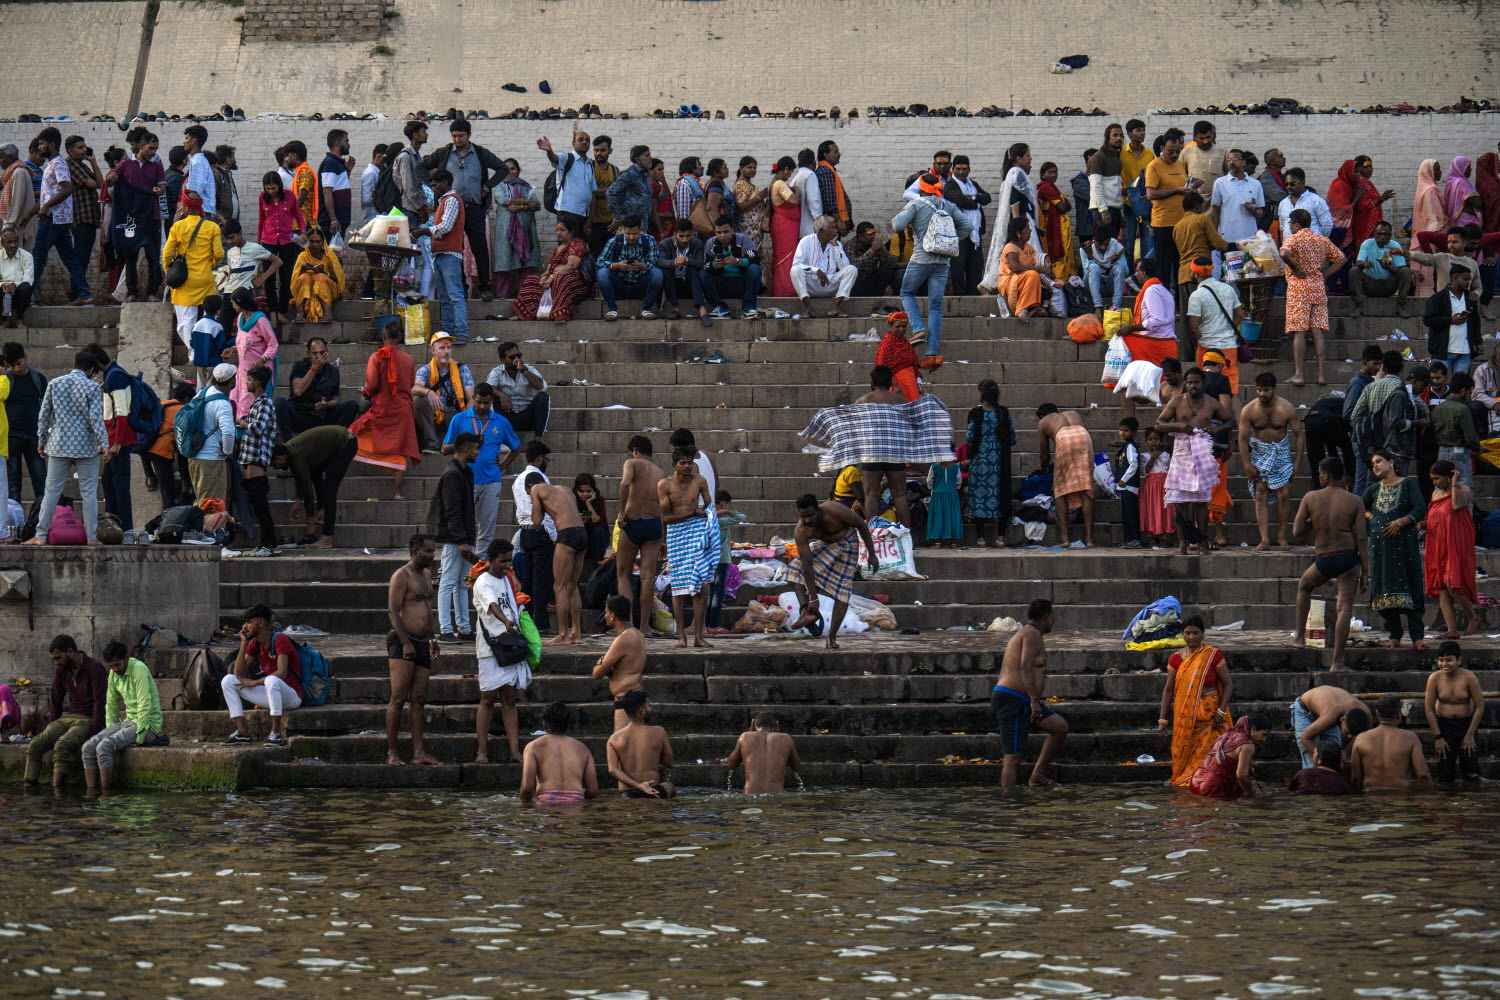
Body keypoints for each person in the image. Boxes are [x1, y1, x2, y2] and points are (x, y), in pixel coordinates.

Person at [1285, 457, 1368, 671]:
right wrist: (1366, 570)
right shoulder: (1354, 500)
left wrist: (1314, 520)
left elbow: (1297, 531)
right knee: (1345, 606)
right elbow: (1361, 538)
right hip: (1349, 557)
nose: (1319, 477)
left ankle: (1299, 637)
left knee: (1304, 587)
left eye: (1321, 474)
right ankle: (1337, 662)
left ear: (1327, 475)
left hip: (1325, 557)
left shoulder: (1311, 497)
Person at [23, 349, 106, 546]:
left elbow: (44, 414)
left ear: (75, 364)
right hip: (85, 447)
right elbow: (96, 418)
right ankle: (91, 537)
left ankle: (40, 535)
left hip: (58, 445)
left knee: (51, 491)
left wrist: (42, 439)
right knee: (89, 493)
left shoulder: (55, 383)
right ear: (91, 370)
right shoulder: (92, 387)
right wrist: (104, 443)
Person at [891, 173, 971, 367]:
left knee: (906, 292)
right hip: (943, 261)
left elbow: (897, 224)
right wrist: (950, 240)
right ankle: (932, 353)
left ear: (921, 188)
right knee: (935, 306)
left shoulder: (916, 204)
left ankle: (918, 328)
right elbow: (968, 226)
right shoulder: (948, 205)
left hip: (921, 258)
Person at [422, 118, 505, 294]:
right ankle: (461, 287)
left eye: (461, 136)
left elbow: (502, 168)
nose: (457, 139)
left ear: (469, 135)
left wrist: (487, 187)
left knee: (479, 248)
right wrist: (433, 183)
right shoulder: (444, 153)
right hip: (452, 208)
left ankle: (484, 287)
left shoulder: (480, 153)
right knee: (455, 248)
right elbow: (421, 167)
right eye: (454, 136)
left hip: (474, 207)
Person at [992, 599, 1069, 787]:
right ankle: (1009, 800)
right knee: (1012, 758)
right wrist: (1035, 701)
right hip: (1013, 699)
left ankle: (1037, 776)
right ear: (1046, 616)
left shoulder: (1031, 634)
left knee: (1059, 727)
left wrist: (1032, 700)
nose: (1053, 620)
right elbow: (1025, 667)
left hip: (1022, 699)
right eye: (1052, 616)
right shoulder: (1031, 633)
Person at [786, 494, 879, 649]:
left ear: (818, 510)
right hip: (826, 545)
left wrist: (872, 554)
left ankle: (832, 637)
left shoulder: (835, 510)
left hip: (848, 542)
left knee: (842, 591)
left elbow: (861, 526)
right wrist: (813, 598)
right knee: (795, 568)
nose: (807, 520)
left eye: (810, 515)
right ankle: (807, 612)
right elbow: (807, 564)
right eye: (803, 517)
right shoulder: (801, 530)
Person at [1157, 368, 1232, 553]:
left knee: (1201, 501)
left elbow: (1231, 421)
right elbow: (1159, 423)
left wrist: (1217, 429)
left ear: (1203, 383)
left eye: (1196, 382)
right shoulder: (1177, 401)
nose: (1192, 386)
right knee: (1180, 501)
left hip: (1202, 452)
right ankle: (1182, 543)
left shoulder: (1212, 403)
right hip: (1181, 453)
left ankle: (1202, 543)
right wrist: (1178, 425)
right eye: (1189, 382)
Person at [473, 538, 532, 764]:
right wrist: (506, 621)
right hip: (491, 647)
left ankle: (515, 751)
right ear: (490, 560)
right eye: (503, 561)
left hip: (512, 643)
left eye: (509, 560)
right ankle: (482, 751)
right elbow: (492, 605)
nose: (507, 565)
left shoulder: (506, 578)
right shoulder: (483, 582)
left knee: (510, 698)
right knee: (488, 698)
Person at [385, 534, 441, 765]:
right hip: (403, 640)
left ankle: (418, 753)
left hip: (423, 641)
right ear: (415, 551)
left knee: (418, 699)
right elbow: (392, 611)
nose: (432, 555)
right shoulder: (401, 575)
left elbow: (426, 609)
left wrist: (432, 637)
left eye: (433, 550)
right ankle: (392, 753)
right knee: (398, 698)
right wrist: (406, 642)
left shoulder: (426, 574)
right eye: (428, 551)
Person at [443, 382, 520, 553]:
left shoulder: (501, 421)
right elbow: (444, 449)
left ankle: (480, 565)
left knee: (487, 528)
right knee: (461, 524)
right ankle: (459, 562)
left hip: (491, 480)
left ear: (492, 400)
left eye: (486, 403)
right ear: (473, 398)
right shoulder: (459, 419)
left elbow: (516, 447)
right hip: (464, 480)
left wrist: (502, 466)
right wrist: (468, 444)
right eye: (479, 402)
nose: (483, 406)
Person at [1156, 615, 1232, 786]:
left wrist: (1220, 712)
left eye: (1196, 633)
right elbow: (1168, 690)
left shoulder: (1212, 654)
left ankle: (1207, 783)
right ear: (1182, 634)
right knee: (1186, 755)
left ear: (1203, 633)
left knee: (1210, 754)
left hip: (1211, 716)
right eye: (1187, 633)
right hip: (1184, 716)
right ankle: (1190, 781)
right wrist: (1162, 720)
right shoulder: (1175, 658)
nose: (1192, 637)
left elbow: (1228, 685)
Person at [1363, 448, 1427, 650]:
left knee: (1411, 584)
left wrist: (1400, 522)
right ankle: (1394, 635)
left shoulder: (1408, 484)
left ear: (1391, 462)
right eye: (1373, 464)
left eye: (1378, 461)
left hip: (1405, 547)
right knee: (1383, 587)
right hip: (1380, 550)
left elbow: (1420, 508)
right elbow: (1358, 506)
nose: (1375, 466)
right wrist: (1372, 517)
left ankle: (1417, 637)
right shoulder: (1374, 489)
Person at [24, 634, 106, 789]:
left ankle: (57, 793)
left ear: (70, 652)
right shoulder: (61, 671)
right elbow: (56, 701)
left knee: (62, 745)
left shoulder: (94, 667)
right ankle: (29, 789)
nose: (56, 662)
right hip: (68, 719)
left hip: (87, 719)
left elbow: (100, 703)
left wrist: (94, 734)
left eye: (58, 658)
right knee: (34, 745)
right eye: (54, 659)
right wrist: (52, 728)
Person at [81, 640, 164, 794]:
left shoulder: (138, 669)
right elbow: (111, 704)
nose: (115, 669)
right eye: (111, 666)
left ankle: (106, 795)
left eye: (117, 665)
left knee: (104, 747)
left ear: (126, 658)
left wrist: (140, 737)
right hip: (127, 722)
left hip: (148, 726)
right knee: (88, 747)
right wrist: (110, 729)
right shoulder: (114, 673)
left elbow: (144, 703)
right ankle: (91, 794)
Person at [350, 321, 419, 499]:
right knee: (400, 451)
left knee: (353, 434)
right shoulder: (409, 359)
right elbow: (411, 384)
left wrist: (366, 393)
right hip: (403, 410)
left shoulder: (376, 357)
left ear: (383, 336)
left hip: (382, 408)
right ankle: (398, 493)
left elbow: (372, 384)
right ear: (400, 337)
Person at [658, 446, 717, 649]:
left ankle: (699, 636)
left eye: (689, 462)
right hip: (676, 535)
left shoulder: (700, 481)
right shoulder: (664, 485)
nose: (687, 466)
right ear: (674, 465)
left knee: (700, 583)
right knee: (678, 587)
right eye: (682, 463)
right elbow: (666, 518)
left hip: (697, 533)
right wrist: (692, 514)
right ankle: (681, 637)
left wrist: (710, 524)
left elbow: (709, 508)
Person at [1237, 372, 1303, 550]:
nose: (1262, 394)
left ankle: (1282, 537)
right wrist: (1246, 465)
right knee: (1260, 493)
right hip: (1260, 452)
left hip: (1281, 451)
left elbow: (1299, 435)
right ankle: (1264, 540)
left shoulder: (1286, 408)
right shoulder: (1249, 410)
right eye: (1259, 390)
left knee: (1284, 494)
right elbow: (1242, 439)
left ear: (1274, 389)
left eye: (1266, 390)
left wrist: (1297, 463)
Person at [221, 604, 303, 748]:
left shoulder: (280, 639)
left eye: (249, 622)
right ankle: (243, 732)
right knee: (228, 680)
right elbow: (238, 674)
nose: (245, 626)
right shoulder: (254, 643)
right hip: (271, 694)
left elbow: (281, 673)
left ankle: (275, 734)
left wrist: (255, 682)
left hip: (291, 695)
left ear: (260, 623)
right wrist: (244, 643)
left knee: (272, 679)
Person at [1280, 208, 1345, 386]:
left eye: (1290, 224)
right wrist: (1324, 275)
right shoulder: (1321, 240)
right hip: (1317, 288)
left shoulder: (1293, 238)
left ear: (1296, 225)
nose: (1290, 227)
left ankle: (1299, 375)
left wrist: (1296, 269)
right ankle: (1321, 376)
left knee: (1299, 332)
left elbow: (1283, 253)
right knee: (1317, 332)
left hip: (1298, 289)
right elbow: (1341, 259)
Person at [270, 424, 357, 549]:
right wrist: (298, 501)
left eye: (275, 465)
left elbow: (307, 489)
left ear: (279, 458)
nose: (276, 468)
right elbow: (300, 477)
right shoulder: (289, 452)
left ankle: (326, 538)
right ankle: (321, 514)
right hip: (339, 441)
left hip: (346, 443)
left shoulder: (295, 455)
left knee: (329, 490)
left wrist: (310, 522)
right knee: (315, 473)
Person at [428, 431, 479, 642]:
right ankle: (446, 630)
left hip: (463, 536)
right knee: (448, 582)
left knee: (462, 583)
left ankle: (464, 628)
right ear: (466, 449)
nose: (477, 452)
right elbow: (452, 511)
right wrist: (462, 540)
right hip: (454, 538)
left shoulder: (464, 472)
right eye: (475, 448)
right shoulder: (452, 475)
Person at [851, 366, 914, 527]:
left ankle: (873, 534)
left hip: (872, 453)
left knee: (871, 495)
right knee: (900, 495)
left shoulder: (861, 402)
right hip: (895, 453)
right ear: (890, 382)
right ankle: (906, 534)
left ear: (872, 383)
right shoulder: (901, 401)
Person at [33, 128, 89, 306]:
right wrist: (29, 214)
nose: (39, 147)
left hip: (53, 218)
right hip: (60, 219)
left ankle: (26, 296)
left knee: (38, 255)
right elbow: (48, 195)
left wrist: (46, 207)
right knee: (70, 258)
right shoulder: (52, 164)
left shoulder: (58, 164)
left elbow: (67, 188)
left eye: (42, 144)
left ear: (51, 144)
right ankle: (84, 293)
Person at [161, 198, 225, 349]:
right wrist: (211, 265)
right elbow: (219, 254)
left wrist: (168, 268)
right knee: (208, 321)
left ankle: (193, 354)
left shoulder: (178, 226)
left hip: (184, 281)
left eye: (182, 205)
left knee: (186, 322)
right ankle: (207, 351)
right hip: (205, 279)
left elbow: (167, 252)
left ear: (187, 208)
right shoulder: (212, 227)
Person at [614, 435, 663, 630]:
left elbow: (625, 484)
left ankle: (627, 625)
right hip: (654, 524)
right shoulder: (661, 472)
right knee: (648, 577)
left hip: (633, 522)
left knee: (623, 575)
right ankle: (645, 626)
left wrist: (621, 512)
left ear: (634, 450)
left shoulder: (632, 463)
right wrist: (664, 537)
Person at [1425, 459, 1478, 639]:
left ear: (1449, 476)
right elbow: (1435, 519)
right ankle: (1452, 630)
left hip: (1456, 543)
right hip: (1437, 544)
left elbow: (1456, 506)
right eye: (1433, 479)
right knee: (1441, 587)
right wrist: (1421, 524)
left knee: (1452, 584)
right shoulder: (1435, 494)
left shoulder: (1463, 490)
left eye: (1437, 479)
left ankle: (1473, 616)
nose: (1434, 483)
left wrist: (1454, 483)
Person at [531, 478, 587, 645]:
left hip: (567, 534)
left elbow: (536, 520)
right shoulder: (565, 489)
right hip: (582, 533)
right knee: (572, 585)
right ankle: (577, 633)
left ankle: (563, 634)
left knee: (559, 586)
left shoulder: (535, 489)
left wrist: (537, 503)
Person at [979, 142, 1040, 294]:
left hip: (1024, 221)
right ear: (1018, 158)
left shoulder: (1017, 173)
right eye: (1027, 156)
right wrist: (1019, 225)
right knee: (1022, 255)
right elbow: (1014, 200)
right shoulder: (1016, 173)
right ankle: (988, 284)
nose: (1030, 158)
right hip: (1022, 221)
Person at [1144, 127, 1197, 295]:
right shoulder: (1154, 166)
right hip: (1163, 224)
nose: (1174, 155)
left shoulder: (1180, 164)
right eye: (1170, 151)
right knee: (1164, 267)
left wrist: (1191, 188)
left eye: (1177, 151)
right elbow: (1151, 194)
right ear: (1162, 148)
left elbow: (1181, 189)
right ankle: (1164, 301)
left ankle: (1180, 304)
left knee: (1180, 266)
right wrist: (1176, 190)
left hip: (1181, 223)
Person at [1349, 350, 1417, 476]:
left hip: (1373, 443)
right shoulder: (1402, 389)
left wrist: (1368, 429)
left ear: (1383, 367)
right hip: (1395, 445)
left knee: (1365, 481)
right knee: (1396, 481)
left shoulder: (1371, 387)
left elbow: (1355, 416)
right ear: (1402, 366)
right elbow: (1420, 408)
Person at [1424, 640, 1484, 781]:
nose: (1444, 664)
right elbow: (1429, 709)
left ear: (1459, 660)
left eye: (1449, 660)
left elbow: (1480, 707)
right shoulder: (1434, 678)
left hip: (1466, 725)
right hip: (1444, 727)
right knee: (1445, 773)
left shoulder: (1469, 677)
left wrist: (1470, 735)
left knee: (1471, 772)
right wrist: (1438, 737)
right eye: (1441, 660)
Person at [966, 379, 1015, 549]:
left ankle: (981, 538)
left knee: (978, 497)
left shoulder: (976, 413)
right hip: (1000, 463)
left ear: (981, 394)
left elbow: (969, 437)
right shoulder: (1003, 413)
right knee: (1001, 495)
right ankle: (1000, 537)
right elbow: (1012, 437)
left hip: (980, 462)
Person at [1036, 403, 1093, 548]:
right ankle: (1089, 540)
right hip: (1083, 436)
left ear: (1041, 416)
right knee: (1085, 489)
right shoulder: (1073, 413)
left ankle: (1064, 538)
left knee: (1060, 490)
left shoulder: (1043, 422)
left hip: (1064, 438)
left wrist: (1044, 469)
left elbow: (1045, 455)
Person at [235, 365, 279, 555]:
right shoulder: (257, 403)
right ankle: (265, 544)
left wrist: (243, 423)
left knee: (260, 504)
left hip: (257, 457)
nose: (246, 383)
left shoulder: (265, 403)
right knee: (256, 502)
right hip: (251, 457)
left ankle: (270, 545)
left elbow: (257, 428)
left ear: (258, 383)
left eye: (249, 380)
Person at [519, 701, 598, 806]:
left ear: (544, 724)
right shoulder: (583, 749)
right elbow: (592, 790)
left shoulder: (533, 747)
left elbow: (527, 789)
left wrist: (526, 805)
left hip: (545, 803)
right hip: (575, 803)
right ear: (568, 724)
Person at [422, 168, 469, 343]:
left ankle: (461, 333)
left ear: (445, 183)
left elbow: (446, 226)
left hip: (450, 254)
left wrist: (424, 231)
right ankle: (449, 332)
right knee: (444, 298)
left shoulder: (452, 200)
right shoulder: (444, 201)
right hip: (440, 253)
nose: (433, 188)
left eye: (435, 185)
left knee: (455, 296)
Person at [1350, 694, 1432, 792]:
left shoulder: (1360, 739)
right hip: (1401, 797)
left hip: (1372, 796)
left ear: (1377, 713)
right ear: (1399, 714)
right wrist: (1429, 796)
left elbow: (1356, 778)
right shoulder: (1411, 738)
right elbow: (1423, 775)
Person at [277, 338, 358, 439]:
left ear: (327, 351)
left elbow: (336, 399)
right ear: (308, 353)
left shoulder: (333, 371)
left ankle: (334, 441)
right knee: (280, 403)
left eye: (322, 353)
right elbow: (298, 391)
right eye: (315, 353)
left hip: (321, 418)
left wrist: (326, 405)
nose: (319, 356)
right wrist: (314, 368)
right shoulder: (299, 366)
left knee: (352, 405)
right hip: (300, 415)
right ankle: (288, 444)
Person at [1185, 256, 1244, 391]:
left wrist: (1197, 344)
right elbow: (1239, 315)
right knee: (1230, 390)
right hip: (1229, 347)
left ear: (1195, 273)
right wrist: (1228, 330)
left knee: (1205, 391)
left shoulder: (1197, 295)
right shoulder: (1228, 289)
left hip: (1206, 348)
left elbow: (1193, 328)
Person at [512, 218, 589, 323]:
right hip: (554, 281)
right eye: (557, 230)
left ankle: (560, 314)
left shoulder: (577, 244)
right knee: (532, 279)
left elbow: (571, 267)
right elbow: (548, 270)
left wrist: (552, 277)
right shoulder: (557, 249)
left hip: (576, 283)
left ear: (571, 232)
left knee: (561, 278)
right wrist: (544, 277)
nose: (558, 233)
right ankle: (524, 313)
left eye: (562, 230)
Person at [514, 446, 556, 634]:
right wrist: (554, 536)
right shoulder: (541, 480)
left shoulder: (517, 480)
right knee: (541, 579)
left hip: (525, 532)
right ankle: (541, 622)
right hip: (540, 531)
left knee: (528, 578)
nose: (547, 463)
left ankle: (526, 618)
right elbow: (546, 512)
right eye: (546, 459)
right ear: (539, 458)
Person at [412, 331, 475, 455]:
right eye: (442, 348)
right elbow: (413, 387)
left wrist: (465, 418)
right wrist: (429, 392)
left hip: (456, 417)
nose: (447, 351)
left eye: (449, 348)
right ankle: (432, 443)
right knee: (417, 399)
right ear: (433, 351)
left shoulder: (462, 369)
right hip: (434, 417)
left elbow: (472, 397)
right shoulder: (425, 370)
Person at [184, 363, 237, 506]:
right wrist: (227, 450)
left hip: (195, 457)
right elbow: (228, 431)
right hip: (211, 461)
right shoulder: (222, 403)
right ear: (231, 381)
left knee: (202, 502)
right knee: (212, 507)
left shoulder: (202, 393)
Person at [592, 595, 647, 731]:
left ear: (612, 615)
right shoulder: (638, 634)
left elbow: (597, 674)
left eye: (606, 612)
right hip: (638, 696)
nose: (605, 615)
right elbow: (626, 667)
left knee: (622, 742)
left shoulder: (623, 639)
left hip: (627, 699)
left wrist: (599, 665)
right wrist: (610, 670)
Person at [606, 688, 675, 798]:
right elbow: (669, 763)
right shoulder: (659, 732)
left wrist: (638, 785)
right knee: (670, 786)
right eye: (649, 706)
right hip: (654, 791)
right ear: (642, 710)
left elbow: (612, 770)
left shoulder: (614, 738)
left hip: (627, 794)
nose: (650, 709)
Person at [1186, 711, 1271, 798]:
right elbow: (1242, 775)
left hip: (1195, 782)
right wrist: (1251, 794)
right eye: (1263, 735)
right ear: (1253, 730)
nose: (1264, 739)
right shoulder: (1248, 745)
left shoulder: (1227, 735)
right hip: (1212, 788)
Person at [490, 158, 543, 298]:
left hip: (525, 230)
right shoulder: (499, 185)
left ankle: (525, 298)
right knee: (504, 263)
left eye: (513, 168)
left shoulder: (526, 187)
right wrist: (526, 202)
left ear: (518, 170)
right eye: (506, 169)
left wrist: (521, 206)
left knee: (525, 264)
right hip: (506, 231)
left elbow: (536, 205)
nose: (510, 172)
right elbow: (504, 200)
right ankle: (502, 298)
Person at [1290, 683, 1375, 770]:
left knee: (1334, 756)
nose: (1349, 737)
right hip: (1305, 711)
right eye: (1347, 732)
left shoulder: (1366, 716)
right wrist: (1321, 757)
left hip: (1326, 708)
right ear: (1342, 720)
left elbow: (1362, 737)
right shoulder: (1332, 716)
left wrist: (1345, 751)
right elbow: (1305, 738)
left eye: (1353, 734)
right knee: (1314, 762)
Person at [256, 170, 303, 326]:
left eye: (274, 188)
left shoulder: (290, 196)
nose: (271, 191)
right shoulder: (262, 197)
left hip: (286, 240)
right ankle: (273, 312)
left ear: (279, 186)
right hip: (268, 240)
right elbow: (261, 219)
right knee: (269, 278)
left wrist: (302, 231)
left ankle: (282, 311)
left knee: (285, 277)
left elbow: (298, 215)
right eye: (268, 188)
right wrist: (258, 241)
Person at [595, 213, 663, 320]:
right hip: (619, 285)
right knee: (602, 273)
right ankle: (612, 309)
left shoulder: (649, 240)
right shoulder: (614, 241)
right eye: (628, 234)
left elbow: (654, 263)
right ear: (623, 230)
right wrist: (617, 265)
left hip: (641, 284)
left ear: (640, 230)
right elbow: (599, 263)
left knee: (657, 273)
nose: (631, 237)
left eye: (635, 234)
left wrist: (642, 266)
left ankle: (646, 309)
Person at [791, 216, 857, 318]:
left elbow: (844, 267)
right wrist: (816, 270)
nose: (836, 231)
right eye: (832, 228)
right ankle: (809, 308)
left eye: (835, 228)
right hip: (811, 286)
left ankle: (834, 307)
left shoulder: (836, 244)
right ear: (822, 231)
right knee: (795, 270)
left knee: (852, 269)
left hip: (829, 284)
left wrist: (835, 246)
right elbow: (797, 264)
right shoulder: (806, 241)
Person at [1423, 263, 1482, 376]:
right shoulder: (1438, 298)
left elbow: (1476, 323)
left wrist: (1478, 342)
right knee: (1437, 383)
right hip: (1442, 351)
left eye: (1469, 279)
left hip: (1464, 352)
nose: (1468, 282)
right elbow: (1428, 320)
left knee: (1461, 385)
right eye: (1465, 279)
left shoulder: (1470, 299)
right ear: (1455, 278)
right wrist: (1450, 320)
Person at [228, 287, 277, 418]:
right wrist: (234, 349)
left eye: (233, 303)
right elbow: (245, 342)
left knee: (247, 405)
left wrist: (262, 359)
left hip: (256, 374)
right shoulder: (240, 318)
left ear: (240, 302)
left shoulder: (261, 320)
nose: (232, 306)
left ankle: (248, 429)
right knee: (236, 401)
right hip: (242, 371)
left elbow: (273, 344)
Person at [701, 216, 762, 320]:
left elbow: (755, 259)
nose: (722, 235)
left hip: (741, 283)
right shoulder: (711, 242)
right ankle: (720, 307)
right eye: (719, 232)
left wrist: (738, 261)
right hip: (721, 284)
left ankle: (749, 308)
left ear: (732, 230)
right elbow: (705, 265)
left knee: (755, 269)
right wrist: (715, 265)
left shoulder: (742, 239)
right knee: (702, 274)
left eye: (726, 232)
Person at [1118, 258, 1176, 367]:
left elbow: (1157, 319)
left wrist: (1131, 328)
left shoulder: (1151, 291)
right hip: (1165, 343)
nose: (1136, 275)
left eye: (1137, 271)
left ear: (1144, 273)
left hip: (1155, 344)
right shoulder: (1164, 290)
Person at [945, 154, 990, 295]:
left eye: (964, 169)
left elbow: (987, 198)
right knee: (958, 265)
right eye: (958, 169)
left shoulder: (973, 184)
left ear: (969, 169)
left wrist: (974, 197)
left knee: (975, 266)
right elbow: (961, 201)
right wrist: (977, 203)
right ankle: (959, 296)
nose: (961, 172)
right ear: (953, 169)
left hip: (975, 231)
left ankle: (973, 294)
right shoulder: (950, 185)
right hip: (959, 231)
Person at [727, 714, 803, 794]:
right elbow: (796, 767)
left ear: (753, 724)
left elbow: (731, 764)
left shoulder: (745, 736)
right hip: (776, 795)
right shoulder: (786, 738)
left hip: (750, 794)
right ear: (776, 724)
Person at [1350, 220, 1413, 316]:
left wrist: (1388, 267)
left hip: (1389, 286)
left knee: (1406, 271)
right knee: (1354, 271)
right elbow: (1358, 263)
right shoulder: (1367, 243)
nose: (1382, 237)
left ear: (1390, 235)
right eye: (1379, 234)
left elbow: (1401, 268)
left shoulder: (1395, 245)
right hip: (1369, 285)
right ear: (1374, 234)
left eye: (1385, 235)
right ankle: (1359, 306)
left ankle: (1400, 307)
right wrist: (1365, 264)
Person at [288, 224, 344, 325]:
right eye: (312, 241)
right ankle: (300, 314)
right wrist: (303, 269)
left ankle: (327, 313)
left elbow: (337, 280)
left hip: (327, 288)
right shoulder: (302, 256)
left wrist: (324, 273)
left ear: (323, 243)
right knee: (304, 277)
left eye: (318, 242)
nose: (315, 245)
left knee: (320, 277)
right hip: (306, 288)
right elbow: (295, 280)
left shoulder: (329, 256)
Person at [1170, 192, 1228, 291]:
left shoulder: (1177, 227)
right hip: (1200, 274)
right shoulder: (1202, 219)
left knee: (1188, 302)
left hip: (1183, 275)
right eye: (1201, 207)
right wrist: (1232, 247)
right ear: (1196, 206)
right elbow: (1218, 243)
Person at [997, 217, 1050, 323]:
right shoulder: (1010, 247)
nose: (1030, 230)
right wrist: (1037, 269)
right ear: (1018, 233)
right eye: (1027, 228)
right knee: (1033, 274)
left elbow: (1037, 262)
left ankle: (1035, 309)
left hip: (1025, 280)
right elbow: (1015, 268)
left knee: (1053, 282)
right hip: (1009, 281)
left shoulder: (1028, 247)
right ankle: (1022, 309)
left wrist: (1047, 270)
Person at [1432, 374, 1479, 488]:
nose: (1470, 395)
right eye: (1469, 392)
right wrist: (1478, 448)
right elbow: (1471, 438)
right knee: (1463, 486)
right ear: (1463, 391)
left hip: (1442, 452)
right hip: (1459, 452)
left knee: (1441, 488)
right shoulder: (1463, 409)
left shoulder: (1438, 409)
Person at [1208, 148, 1263, 246]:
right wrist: (1214, 236)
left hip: (1249, 237)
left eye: (1235, 159)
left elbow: (1259, 212)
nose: (1231, 163)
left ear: (1244, 162)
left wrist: (1252, 210)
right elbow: (1215, 211)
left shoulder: (1255, 184)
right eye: (1229, 160)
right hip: (1227, 237)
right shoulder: (1220, 183)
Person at [1035, 161, 1077, 281]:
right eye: (1050, 172)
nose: (1053, 175)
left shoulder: (1052, 187)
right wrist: (1063, 205)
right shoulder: (1046, 187)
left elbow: (1068, 206)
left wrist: (1064, 205)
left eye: (1055, 172)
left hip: (1059, 227)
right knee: (1059, 253)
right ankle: (1059, 280)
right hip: (1054, 228)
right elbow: (1063, 207)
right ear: (1043, 174)